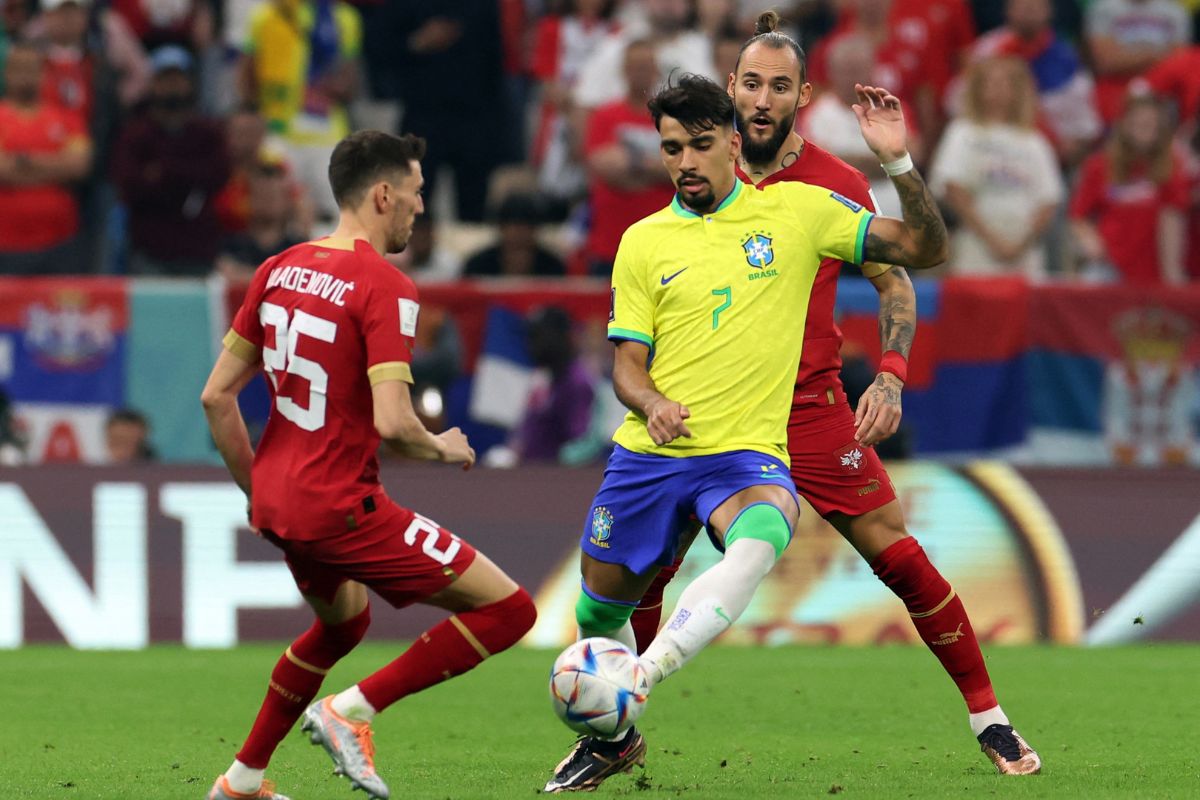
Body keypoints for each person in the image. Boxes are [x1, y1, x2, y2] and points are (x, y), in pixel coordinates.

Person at [627, 11, 1042, 781]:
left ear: (802, 96)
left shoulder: (834, 183)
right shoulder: (699, 169)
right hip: (709, 407)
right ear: (730, 87)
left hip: (807, 408)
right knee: (647, 567)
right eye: (750, 82)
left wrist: (888, 372)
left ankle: (991, 717)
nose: (761, 98)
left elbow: (901, 273)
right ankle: (615, 727)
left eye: (779, 86)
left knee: (901, 558)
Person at [542, 70, 951, 792]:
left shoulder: (798, 211)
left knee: (765, 533)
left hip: (744, 457)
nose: (686, 162)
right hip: (652, 454)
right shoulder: (643, 241)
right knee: (594, 611)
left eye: (701, 145)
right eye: (672, 149)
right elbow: (627, 370)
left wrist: (897, 164)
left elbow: (922, 247)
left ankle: (645, 673)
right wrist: (653, 402)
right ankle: (615, 739)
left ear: (735, 144)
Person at [202, 130, 537, 800]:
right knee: (512, 611)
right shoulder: (386, 285)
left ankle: (240, 782)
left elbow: (216, 398)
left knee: (343, 623)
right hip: (339, 506)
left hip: (281, 505)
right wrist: (443, 445)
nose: (419, 210)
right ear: (384, 194)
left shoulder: (276, 269)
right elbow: (393, 424)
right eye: (414, 195)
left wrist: (259, 487)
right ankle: (351, 710)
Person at [930, 56, 1063, 279]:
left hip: (1023, 243)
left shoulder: (1034, 141)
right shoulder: (963, 132)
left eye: (1005, 83)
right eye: (990, 83)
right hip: (976, 239)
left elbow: (1048, 200)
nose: (998, 90)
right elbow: (953, 187)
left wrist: (1020, 244)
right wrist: (991, 239)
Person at [112, 45, 231, 276]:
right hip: (149, 249)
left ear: (190, 82)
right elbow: (129, 185)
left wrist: (164, 172)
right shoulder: (135, 134)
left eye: (178, 78)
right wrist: (190, 175)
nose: (172, 86)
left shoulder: (208, 133)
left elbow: (218, 175)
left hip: (199, 249)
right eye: (165, 78)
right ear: (153, 83)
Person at [1070, 94, 1188, 286]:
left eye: (1150, 124)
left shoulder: (1172, 166)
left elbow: (1173, 218)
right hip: (1110, 265)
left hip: (1154, 269)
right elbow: (1078, 216)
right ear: (1124, 125)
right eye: (1138, 123)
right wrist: (1091, 240)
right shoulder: (1100, 165)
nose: (1144, 130)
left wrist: (1172, 272)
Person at [582, 38, 675, 276]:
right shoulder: (605, 115)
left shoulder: (672, 119)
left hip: (662, 248)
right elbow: (604, 166)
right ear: (624, 70)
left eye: (646, 66)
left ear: (656, 71)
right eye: (635, 66)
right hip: (610, 246)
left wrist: (632, 165)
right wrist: (656, 168)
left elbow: (680, 170)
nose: (640, 73)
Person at [0, 39, 92, 275]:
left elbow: (78, 166)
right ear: (7, 72)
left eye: (32, 68)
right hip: (6, 243)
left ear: (44, 73)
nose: (25, 75)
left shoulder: (67, 118)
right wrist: (53, 168)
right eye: (18, 68)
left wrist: (20, 164)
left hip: (59, 243)